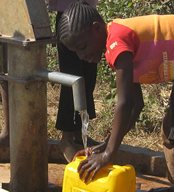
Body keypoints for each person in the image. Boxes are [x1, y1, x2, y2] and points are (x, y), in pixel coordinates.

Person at [58, 1, 174, 191]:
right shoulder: (120, 45)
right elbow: (137, 105)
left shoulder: (117, 41)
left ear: (96, 29)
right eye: (76, 52)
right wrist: (107, 144)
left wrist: (108, 154)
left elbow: (124, 102)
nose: (82, 56)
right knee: (171, 131)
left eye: (83, 46)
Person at [47, 0, 99, 162]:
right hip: (69, 20)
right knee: (72, 80)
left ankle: (79, 135)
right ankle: (67, 138)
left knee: (89, 78)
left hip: (88, 14)